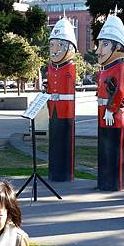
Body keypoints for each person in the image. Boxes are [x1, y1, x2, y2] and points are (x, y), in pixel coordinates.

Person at [96, 10, 124, 191]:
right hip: (104, 112)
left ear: (118, 47)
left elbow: (120, 90)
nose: (99, 50)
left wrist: (110, 109)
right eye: (100, 44)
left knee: (114, 149)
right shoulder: (105, 69)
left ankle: (116, 182)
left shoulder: (120, 66)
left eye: (105, 44)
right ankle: (105, 181)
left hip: (113, 114)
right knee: (104, 149)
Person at [47, 17, 77, 182]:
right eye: (52, 45)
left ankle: (64, 174)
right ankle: (55, 172)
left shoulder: (70, 67)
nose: (55, 49)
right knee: (54, 141)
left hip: (66, 109)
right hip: (53, 108)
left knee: (65, 141)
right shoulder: (51, 67)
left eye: (60, 45)